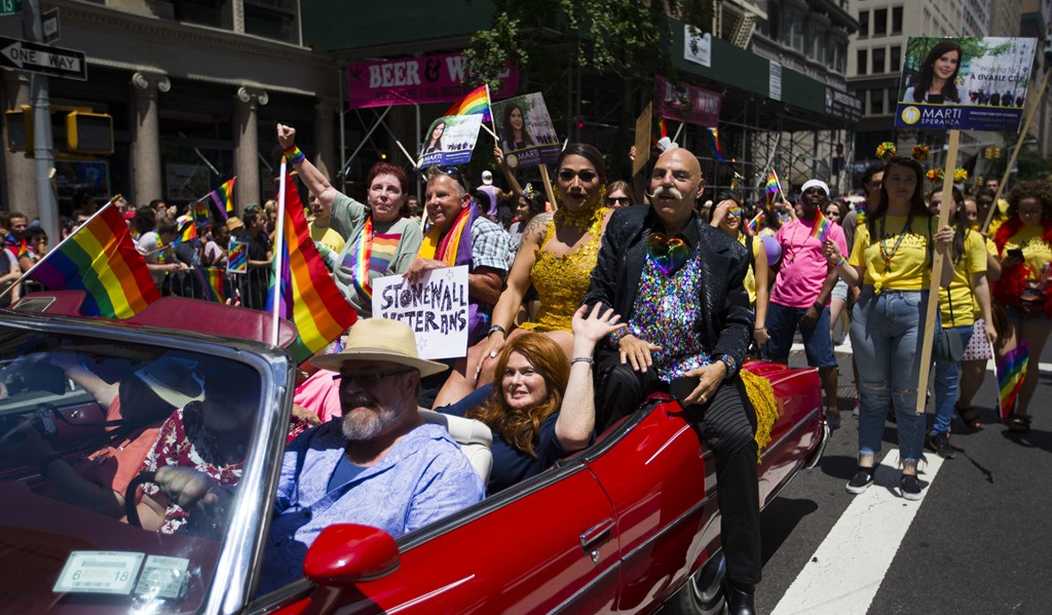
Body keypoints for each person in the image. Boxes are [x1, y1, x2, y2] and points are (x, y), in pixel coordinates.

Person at [582, 147, 760, 613]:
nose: (666, 182)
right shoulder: (624, 227)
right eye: (659, 173)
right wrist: (621, 334)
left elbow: (739, 321)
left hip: (698, 368)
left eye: (679, 176)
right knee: (616, 400)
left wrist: (723, 365)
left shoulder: (727, 250)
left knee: (738, 439)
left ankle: (741, 583)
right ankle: (605, 547)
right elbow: (598, 293)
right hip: (634, 360)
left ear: (699, 190)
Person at [210, 318, 482, 592]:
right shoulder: (320, 439)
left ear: (410, 383)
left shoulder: (442, 470)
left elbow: (424, 581)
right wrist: (212, 497)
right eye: (347, 378)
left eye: (369, 377)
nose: (351, 390)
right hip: (233, 589)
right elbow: (261, 500)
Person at [826, 156, 954, 500]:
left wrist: (945, 250)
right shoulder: (867, 225)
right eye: (895, 178)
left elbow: (945, 279)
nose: (901, 185)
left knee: (909, 394)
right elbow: (857, 276)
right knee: (871, 392)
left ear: (917, 185)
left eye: (908, 179)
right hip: (870, 309)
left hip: (916, 310)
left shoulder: (932, 225)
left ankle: (910, 465)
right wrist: (838, 262)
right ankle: (866, 460)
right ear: (884, 184)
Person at [464, 144, 611, 395]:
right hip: (539, 328)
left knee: (508, 364)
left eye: (586, 176)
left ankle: (472, 417)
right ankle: (440, 416)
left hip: (581, 335)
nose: (576, 184)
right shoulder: (540, 226)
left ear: (602, 183)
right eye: (567, 175)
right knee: (477, 360)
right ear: (555, 182)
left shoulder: (614, 226)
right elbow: (514, 288)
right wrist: (497, 332)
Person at [438, 305, 622, 493]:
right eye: (509, 372)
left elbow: (575, 435)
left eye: (528, 372)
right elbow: (439, 418)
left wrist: (584, 346)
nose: (516, 381)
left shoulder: (550, 424)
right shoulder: (493, 394)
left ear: (550, 379)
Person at [11, 353, 199, 520]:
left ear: (157, 399)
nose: (123, 389)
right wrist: (55, 358)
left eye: (134, 385)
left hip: (67, 518)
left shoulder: (151, 439)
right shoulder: (136, 409)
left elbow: (107, 504)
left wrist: (44, 458)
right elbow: (103, 390)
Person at [278, 123, 422, 317]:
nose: (383, 195)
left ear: (403, 199)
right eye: (377, 188)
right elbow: (323, 188)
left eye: (392, 190)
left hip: (372, 326)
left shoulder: (408, 228)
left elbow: (404, 285)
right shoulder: (360, 218)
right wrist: (291, 149)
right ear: (368, 195)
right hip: (334, 319)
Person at [765, 179, 848, 428]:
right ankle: (775, 404)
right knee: (775, 358)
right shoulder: (788, 227)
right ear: (801, 197)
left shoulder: (831, 229)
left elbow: (835, 270)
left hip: (812, 304)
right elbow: (776, 262)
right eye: (809, 192)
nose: (814, 195)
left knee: (823, 360)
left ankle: (831, 405)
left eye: (820, 192)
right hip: (780, 301)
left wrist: (818, 305)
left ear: (825, 198)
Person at [926, 187, 997, 457]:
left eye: (945, 203)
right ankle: (914, 425)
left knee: (947, 378)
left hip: (956, 318)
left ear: (957, 206)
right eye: (934, 203)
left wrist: (988, 321)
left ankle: (940, 430)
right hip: (920, 314)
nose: (938, 208)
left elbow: (979, 282)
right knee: (914, 377)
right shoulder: (919, 233)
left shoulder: (972, 238)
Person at [991, 180, 1052, 432]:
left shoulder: (1049, 232)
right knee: (1007, 355)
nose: (1028, 215)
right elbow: (993, 266)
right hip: (1010, 302)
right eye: (1024, 210)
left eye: (1034, 210)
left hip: (1041, 305)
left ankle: (1022, 411)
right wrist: (1005, 265)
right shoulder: (1005, 232)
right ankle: (1008, 398)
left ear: (1043, 209)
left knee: (1030, 361)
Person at [956, 195, 1002, 427]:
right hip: (943, 312)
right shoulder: (942, 236)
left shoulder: (982, 240)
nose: (971, 217)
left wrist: (981, 246)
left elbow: (995, 274)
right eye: (967, 213)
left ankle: (963, 403)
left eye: (974, 214)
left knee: (976, 369)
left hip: (974, 314)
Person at [711, 198, 770, 352]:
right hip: (715, 317)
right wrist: (713, 223)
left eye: (735, 211)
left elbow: (762, 288)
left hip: (745, 316)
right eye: (725, 213)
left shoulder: (755, 244)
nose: (731, 217)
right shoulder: (708, 243)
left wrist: (759, 325)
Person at [902, 40, 967, 104]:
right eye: (943, 59)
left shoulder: (962, 93)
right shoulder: (911, 92)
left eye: (953, 61)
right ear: (932, 62)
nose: (948, 65)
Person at [824, 199, 851, 346]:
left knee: (826, 325)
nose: (830, 216)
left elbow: (841, 262)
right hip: (820, 280)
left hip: (838, 279)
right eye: (827, 212)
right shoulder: (819, 231)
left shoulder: (840, 231)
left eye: (835, 214)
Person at [307, 188, 346, 255]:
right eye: (312, 199)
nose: (316, 203)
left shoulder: (339, 239)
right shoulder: (301, 233)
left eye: (321, 198)